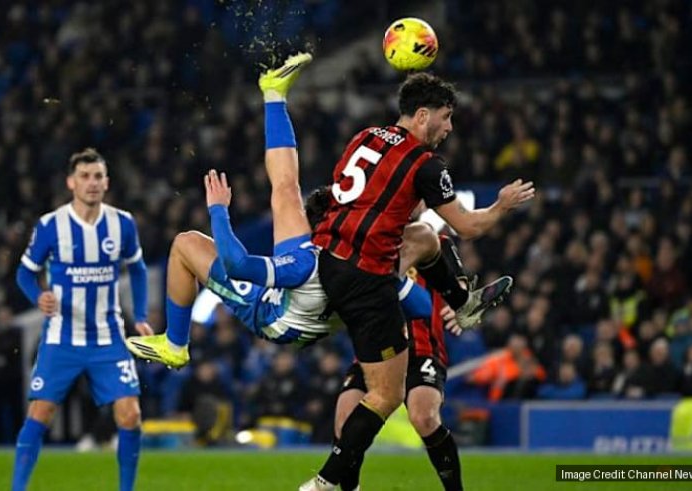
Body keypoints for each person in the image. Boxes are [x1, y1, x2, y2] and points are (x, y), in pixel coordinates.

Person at [126, 54, 505, 367]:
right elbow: (421, 306)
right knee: (286, 191)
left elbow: (237, 265)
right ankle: (273, 94)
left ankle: (175, 345)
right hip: (338, 282)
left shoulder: (304, 264)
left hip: (273, 317)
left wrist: (218, 211)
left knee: (185, 244)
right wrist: (399, 278)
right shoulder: (372, 263)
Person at [302, 72, 535, 490]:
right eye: (446, 117)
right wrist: (501, 206)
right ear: (423, 115)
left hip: (332, 266)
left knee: (414, 413)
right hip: (369, 284)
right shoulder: (424, 164)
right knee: (382, 400)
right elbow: (468, 225)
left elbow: (349, 199)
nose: (449, 128)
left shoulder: (365, 137)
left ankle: (462, 300)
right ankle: (324, 485)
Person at [11, 148, 152, 491]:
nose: (92, 183)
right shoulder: (50, 225)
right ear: (71, 182)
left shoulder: (122, 223)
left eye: (98, 176)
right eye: (85, 176)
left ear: (107, 182)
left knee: (130, 414)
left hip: (109, 337)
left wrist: (141, 316)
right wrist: (38, 296)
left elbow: (138, 269)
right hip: (62, 337)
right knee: (40, 413)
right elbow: (24, 274)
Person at [335, 235, 469, 491]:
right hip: (374, 351)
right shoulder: (365, 243)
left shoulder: (435, 241)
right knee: (343, 424)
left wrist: (460, 304)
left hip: (421, 348)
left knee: (424, 417)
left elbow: (460, 286)